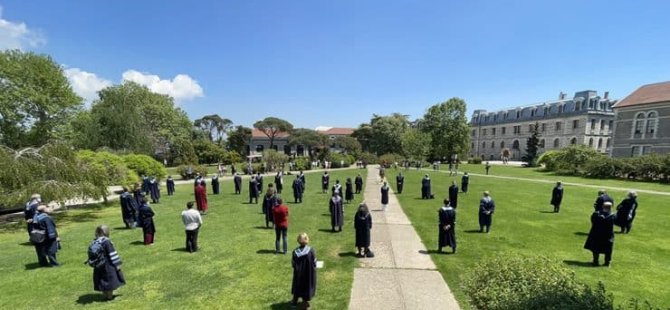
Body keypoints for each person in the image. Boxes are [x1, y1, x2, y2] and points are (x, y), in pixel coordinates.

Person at [89, 225, 125, 300]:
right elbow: (112, 254)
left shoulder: (95, 241)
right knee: (109, 280)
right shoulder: (107, 241)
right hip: (108, 265)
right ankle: (110, 296)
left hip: (98, 265)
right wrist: (117, 264)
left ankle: (104, 295)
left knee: (101, 280)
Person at [584, 202, 616, 267]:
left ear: (603, 206)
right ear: (610, 207)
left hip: (597, 233)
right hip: (608, 235)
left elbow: (592, 221)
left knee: (596, 248)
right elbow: (615, 222)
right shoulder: (613, 216)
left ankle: (595, 261)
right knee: (608, 249)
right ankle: (607, 262)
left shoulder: (596, 214)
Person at [291, 233, 317, 309]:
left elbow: (293, 264)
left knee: (297, 286)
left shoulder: (295, 252)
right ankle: (305, 302)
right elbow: (314, 262)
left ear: (298, 240)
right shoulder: (311, 251)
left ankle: (294, 302)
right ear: (307, 240)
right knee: (306, 287)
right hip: (308, 274)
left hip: (298, 274)